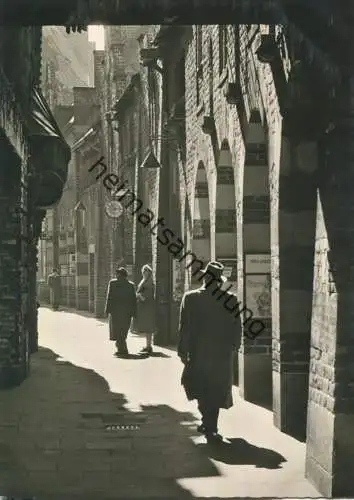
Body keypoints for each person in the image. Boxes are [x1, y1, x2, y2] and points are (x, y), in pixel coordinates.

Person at [178, 260, 242, 443]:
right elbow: (236, 327)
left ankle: (208, 422)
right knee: (216, 388)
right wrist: (234, 347)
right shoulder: (231, 300)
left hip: (198, 352)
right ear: (220, 281)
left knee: (198, 386)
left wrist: (183, 351)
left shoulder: (190, 298)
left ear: (205, 278)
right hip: (221, 354)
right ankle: (210, 422)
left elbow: (184, 327)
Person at [105, 267, 137, 358]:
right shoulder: (131, 285)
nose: (116, 275)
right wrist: (134, 313)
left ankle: (121, 349)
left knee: (117, 330)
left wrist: (107, 310)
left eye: (117, 273)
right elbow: (133, 300)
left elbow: (109, 297)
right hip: (126, 313)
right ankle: (122, 348)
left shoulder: (113, 283)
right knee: (123, 330)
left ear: (120, 275)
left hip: (116, 312)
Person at [134, 264, 156, 355]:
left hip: (147, 306)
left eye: (146, 271)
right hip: (145, 306)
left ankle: (148, 346)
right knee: (147, 327)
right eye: (143, 271)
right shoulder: (145, 280)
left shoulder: (149, 282)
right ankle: (148, 346)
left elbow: (148, 294)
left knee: (148, 327)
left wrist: (140, 296)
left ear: (149, 272)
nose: (144, 273)